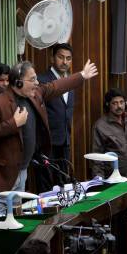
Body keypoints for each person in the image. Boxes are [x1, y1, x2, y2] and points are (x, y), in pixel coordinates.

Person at [0, 59, 98, 217]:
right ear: (19, 82)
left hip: (21, 171)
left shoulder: (35, 94)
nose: (37, 83)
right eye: (32, 79)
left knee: (13, 219)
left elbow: (55, 86)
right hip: (1, 174)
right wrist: (13, 123)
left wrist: (82, 75)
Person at [36, 43, 76, 192]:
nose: (65, 62)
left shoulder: (71, 81)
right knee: (46, 185)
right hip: (47, 142)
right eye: (61, 57)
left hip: (64, 140)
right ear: (52, 58)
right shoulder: (41, 80)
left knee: (63, 183)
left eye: (68, 58)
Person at [92, 88, 127, 178]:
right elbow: (97, 158)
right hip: (115, 178)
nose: (119, 106)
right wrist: (98, 181)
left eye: (121, 102)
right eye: (114, 103)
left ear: (125, 103)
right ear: (108, 104)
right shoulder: (100, 126)